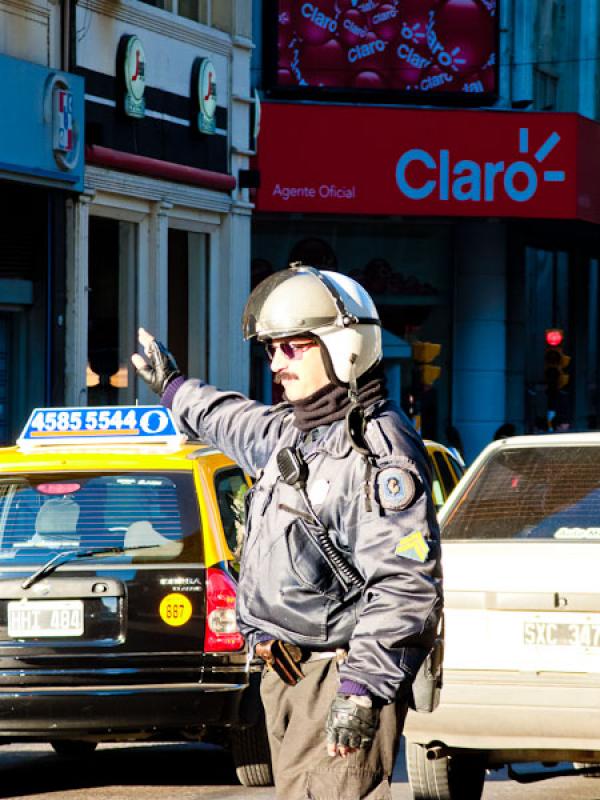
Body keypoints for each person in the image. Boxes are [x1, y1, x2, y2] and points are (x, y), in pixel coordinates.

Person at [131, 264, 442, 800]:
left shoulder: (378, 452)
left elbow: (405, 585)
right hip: (288, 677)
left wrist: (361, 692)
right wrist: (174, 388)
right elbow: (225, 418)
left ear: (342, 346)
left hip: (336, 678)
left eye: (292, 347)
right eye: (271, 349)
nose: (276, 363)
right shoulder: (292, 433)